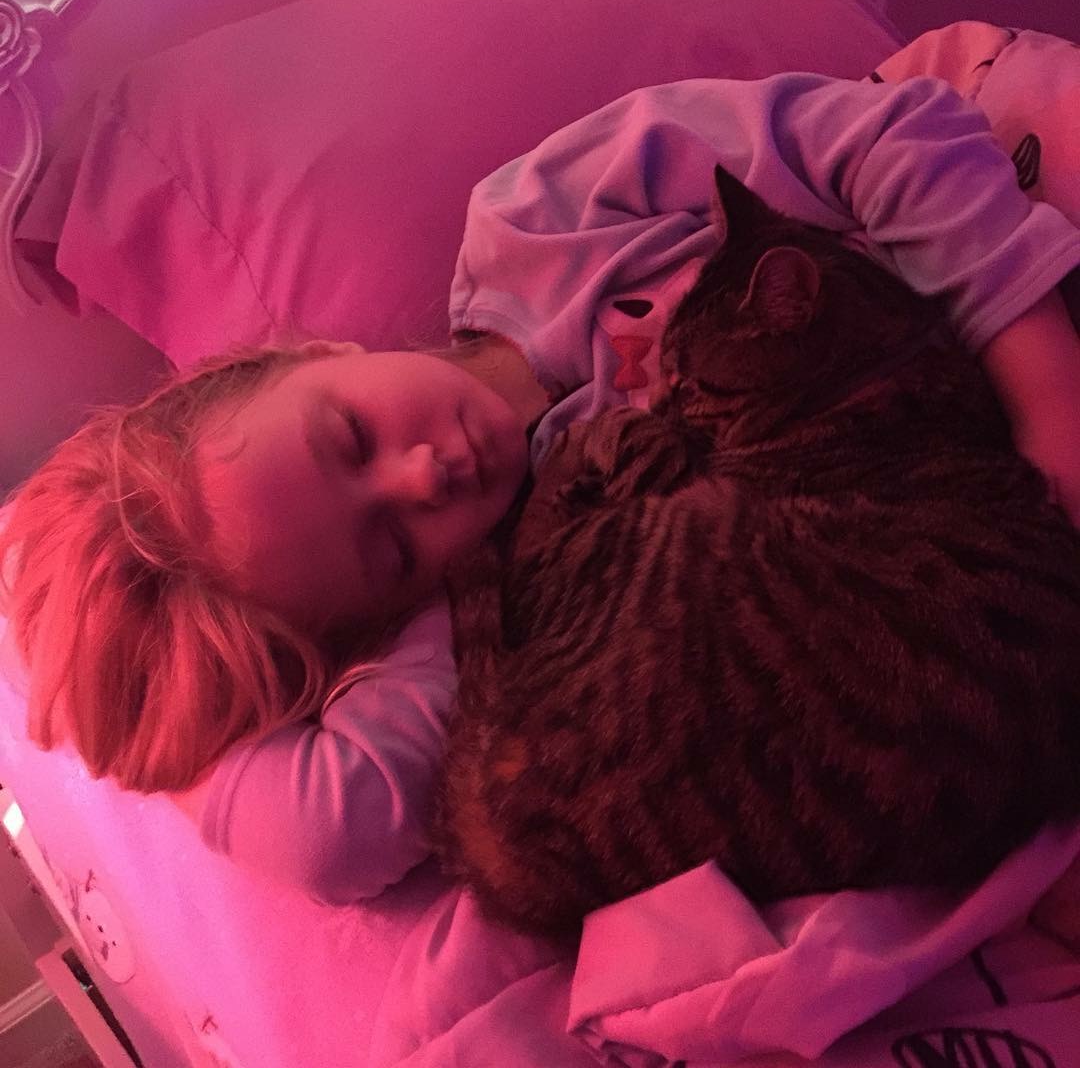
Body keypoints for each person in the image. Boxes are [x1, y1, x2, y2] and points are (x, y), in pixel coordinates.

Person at [2, 73, 1080, 906]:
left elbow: (890, 133)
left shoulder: (540, 217)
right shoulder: (524, 582)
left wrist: (1051, 419)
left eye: (352, 435)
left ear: (312, 351)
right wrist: (170, 718)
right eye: (391, 548)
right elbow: (329, 833)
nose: (426, 476)